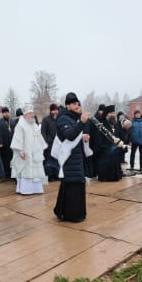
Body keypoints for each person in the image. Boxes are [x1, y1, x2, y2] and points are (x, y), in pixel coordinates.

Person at [53, 92, 89, 222]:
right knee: (71, 184)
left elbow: (76, 135)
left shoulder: (74, 118)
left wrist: (83, 137)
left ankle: (62, 210)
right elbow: (70, 135)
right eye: (73, 103)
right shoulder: (63, 118)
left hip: (76, 157)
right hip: (68, 158)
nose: (77, 105)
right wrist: (82, 122)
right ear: (67, 105)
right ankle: (71, 215)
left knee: (74, 184)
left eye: (77, 103)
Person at [10, 104, 47, 194]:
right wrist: (20, 151)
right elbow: (17, 139)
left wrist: (41, 147)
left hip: (35, 154)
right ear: (25, 114)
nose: (32, 115)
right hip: (25, 153)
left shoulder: (34, 125)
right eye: (30, 113)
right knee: (25, 171)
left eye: (32, 113)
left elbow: (39, 137)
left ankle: (36, 189)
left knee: (35, 171)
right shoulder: (20, 125)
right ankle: (25, 190)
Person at [96, 105, 123, 181]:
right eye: (111, 113)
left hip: (115, 150)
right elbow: (98, 138)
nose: (112, 114)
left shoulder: (116, 123)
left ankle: (116, 176)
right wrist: (104, 147)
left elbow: (120, 134)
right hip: (105, 150)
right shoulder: (101, 124)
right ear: (107, 114)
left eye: (113, 113)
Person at [41, 103, 60, 181]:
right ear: (50, 111)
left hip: (58, 144)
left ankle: (57, 175)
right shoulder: (46, 120)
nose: (55, 112)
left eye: (56, 110)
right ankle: (50, 176)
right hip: (49, 144)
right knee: (49, 162)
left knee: (57, 161)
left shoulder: (59, 119)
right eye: (54, 110)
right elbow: (43, 132)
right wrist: (46, 142)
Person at [0, 107, 13, 178]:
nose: (6, 114)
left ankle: (12, 174)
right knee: (5, 160)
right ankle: (6, 174)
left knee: (12, 159)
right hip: (4, 144)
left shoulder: (12, 121)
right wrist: (0, 143)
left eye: (7, 112)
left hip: (12, 144)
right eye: (5, 113)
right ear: (2, 114)